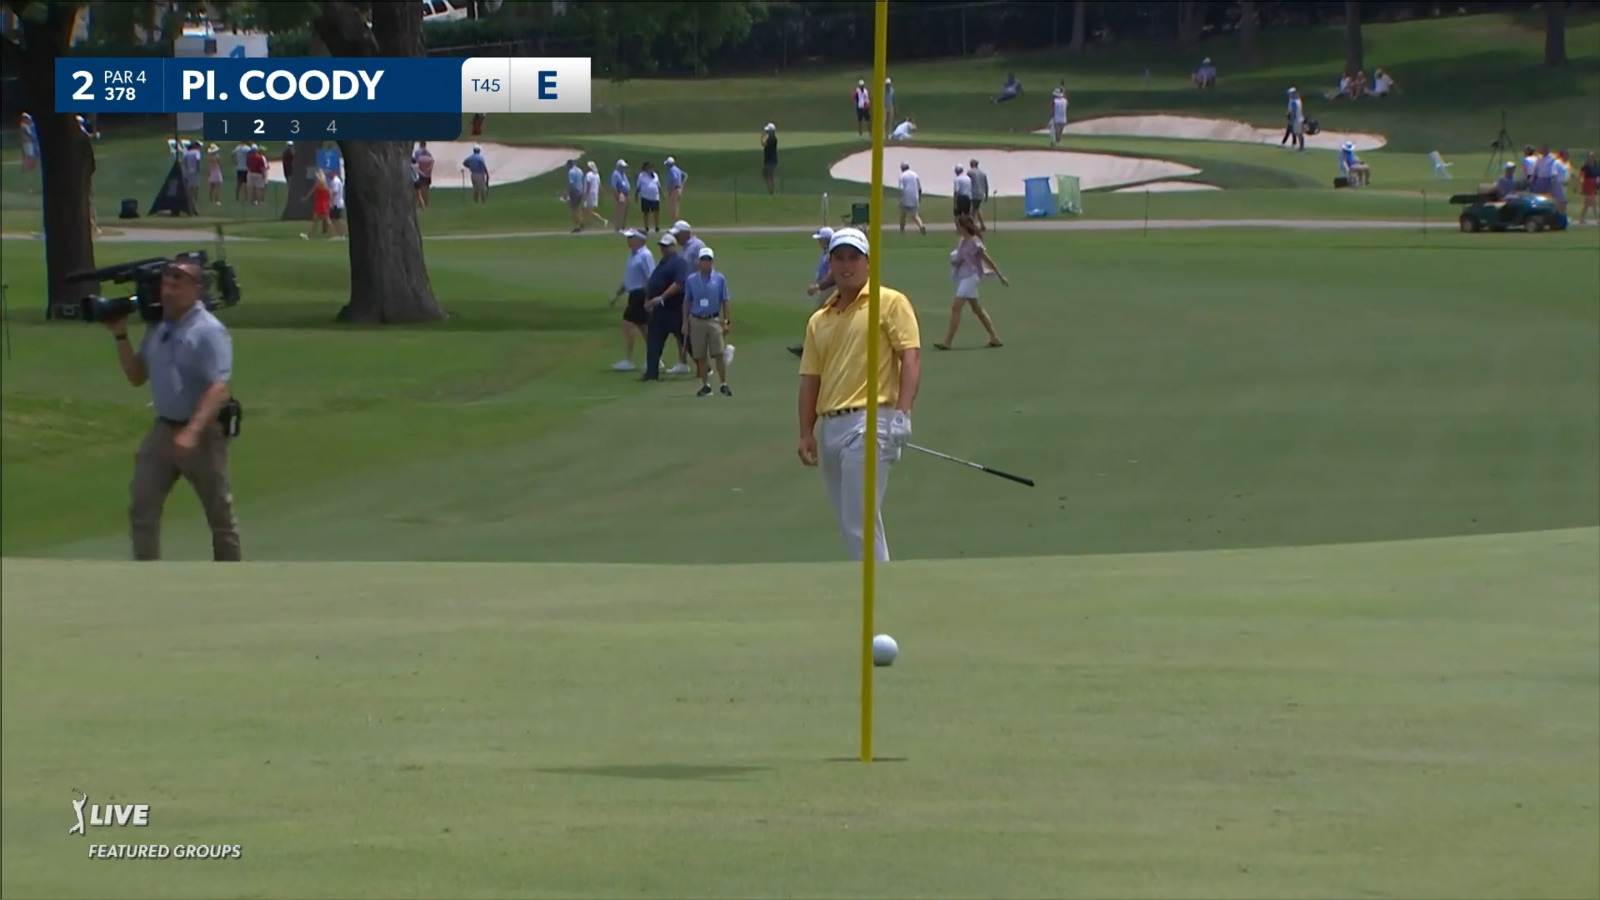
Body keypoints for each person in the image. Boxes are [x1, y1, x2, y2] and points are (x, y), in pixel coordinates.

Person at [103, 257, 241, 562]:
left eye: (177, 282)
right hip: (164, 430)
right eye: (166, 282)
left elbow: (219, 388)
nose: (169, 289)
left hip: (203, 432)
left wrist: (192, 433)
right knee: (142, 504)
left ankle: (231, 576)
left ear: (196, 288)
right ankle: (148, 575)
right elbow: (137, 376)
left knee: (219, 513)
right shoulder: (159, 328)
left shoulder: (209, 331)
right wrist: (120, 335)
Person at [796, 228, 921, 562]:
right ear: (830, 265)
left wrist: (903, 413)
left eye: (854, 258)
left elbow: (910, 356)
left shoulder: (890, 302)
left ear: (868, 263)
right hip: (830, 427)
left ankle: (876, 592)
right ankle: (877, 586)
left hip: (871, 423)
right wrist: (806, 432)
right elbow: (810, 379)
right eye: (838, 258)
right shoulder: (819, 320)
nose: (846, 265)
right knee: (850, 521)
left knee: (859, 522)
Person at [934, 214, 1008, 350]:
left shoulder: (975, 242)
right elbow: (961, 259)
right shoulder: (962, 241)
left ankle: (947, 342)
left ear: (964, 227)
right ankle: (994, 337)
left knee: (956, 307)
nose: (956, 228)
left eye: (958, 226)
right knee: (977, 309)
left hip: (971, 277)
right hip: (964, 276)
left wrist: (1000, 276)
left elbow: (987, 259)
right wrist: (955, 261)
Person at [642, 232, 692, 381]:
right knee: (654, 341)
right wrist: (649, 299)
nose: (663, 249)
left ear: (673, 246)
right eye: (661, 246)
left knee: (686, 341)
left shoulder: (679, 263)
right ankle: (651, 373)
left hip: (674, 308)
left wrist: (661, 297)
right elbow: (653, 282)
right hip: (659, 310)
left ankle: (704, 366)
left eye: (666, 246)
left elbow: (678, 283)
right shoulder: (662, 262)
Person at [684, 247, 733, 397]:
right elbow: (687, 301)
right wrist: (685, 322)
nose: (706, 263)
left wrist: (726, 321)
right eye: (703, 260)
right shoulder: (691, 280)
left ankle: (723, 384)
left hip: (713, 320)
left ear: (712, 262)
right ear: (699, 262)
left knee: (718, 353)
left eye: (708, 260)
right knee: (700, 355)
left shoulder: (719, 278)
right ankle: (706, 385)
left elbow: (725, 300)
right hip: (697, 319)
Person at [610, 229, 654, 372]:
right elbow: (629, 277)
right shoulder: (632, 255)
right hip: (633, 295)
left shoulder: (645, 255)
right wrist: (618, 294)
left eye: (631, 238)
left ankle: (631, 360)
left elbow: (650, 278)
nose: (628, 241)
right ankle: (653, 359)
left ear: (640, 240)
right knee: (643, 329)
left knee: (628, 324)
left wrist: (648, 298)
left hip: (640, 295)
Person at [790, 227, 837, 357]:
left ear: (826, 240)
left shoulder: (831, 254)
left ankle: (809, 349)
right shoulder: (826, 252)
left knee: (816, 318)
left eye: (820, 240)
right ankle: (811, 347)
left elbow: (831, 273)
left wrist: (818, 286)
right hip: (826, 288)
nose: (819, 242)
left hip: (829, 289)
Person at [300, 169, 332, 239]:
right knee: (316, 220)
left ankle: (332, 235)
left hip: (322, 204)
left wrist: (305, 198)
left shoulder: (320, 183)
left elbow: (312, 191)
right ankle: (308, 235)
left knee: (326, 219)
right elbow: (329, 193)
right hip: (321, 203)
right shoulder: (324, 183)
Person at [897, 162, 925, 236]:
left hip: (905, 198)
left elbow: (901, 189)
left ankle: (902, 230)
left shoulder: (902, 176)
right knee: (915, 215)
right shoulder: (915, 174)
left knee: (903, 215)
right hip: (915, 197)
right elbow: (919, 188)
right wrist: (919, 197)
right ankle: (921, 226)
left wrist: (900, 199)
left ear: (902, 168)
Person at [582, 161, 609, 230]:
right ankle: (586, 223)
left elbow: (588, 185)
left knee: (588, 210)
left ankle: (603, 220)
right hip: (595, 194)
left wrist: (585, 195)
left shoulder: (589, 175)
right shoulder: (597, 175)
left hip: (590, 194)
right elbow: (600, 186)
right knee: (587, 210)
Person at [636, 161, 662, 233]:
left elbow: (658, 185)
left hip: (655, 196)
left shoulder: (655, 175)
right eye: (649, 167)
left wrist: (662, 194)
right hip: (645, 197)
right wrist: (636, 195)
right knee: (646, 212)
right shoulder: (641, 176)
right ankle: (646, 227)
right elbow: (638, 186)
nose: (650, 169)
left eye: (651, 167)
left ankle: (657, 226)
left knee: (656, 212)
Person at [968, 158, 990, 231]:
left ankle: (973, 226)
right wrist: (986, 195)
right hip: (981, 194)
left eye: (971, 163)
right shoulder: (983, 173)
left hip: (973, 193)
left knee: (972, 210)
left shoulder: (970, 172)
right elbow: (986, 185)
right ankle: (982, 225)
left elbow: (967, 183)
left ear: (972, 164)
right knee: (977, 208)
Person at [1577, 151, 1599, 225]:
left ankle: (1581, 219)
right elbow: (1580, 176)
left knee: (1587, 204)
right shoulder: (1585, 167)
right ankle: (1597, 219)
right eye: (1589, 157)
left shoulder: (1596, 166)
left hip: (1594, 185)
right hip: (1587, 185)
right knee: (1593, 202)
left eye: (1592, 156)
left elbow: (1598, 176)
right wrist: (1580, 185)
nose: (1591, 158)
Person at [181, 141, 203, 213]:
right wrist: (198, 169)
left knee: (189, 192)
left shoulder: (186, 153)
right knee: (194, 191)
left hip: (187, 174)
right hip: (194, 173)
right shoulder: (196, 152)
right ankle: (194, 208)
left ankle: (190, 208)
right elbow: (198, 161)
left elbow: (183, 162)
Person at [1281, 87, 1305, 151]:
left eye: (1290, 93)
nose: (1289, 95)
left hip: (1296, 120)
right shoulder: (1297, 100)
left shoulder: (1294, 101)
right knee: (1297, 133)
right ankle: (1299, 146)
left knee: (1298, 133)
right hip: (1298, 119)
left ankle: (1300, 147)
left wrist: (1292, 120)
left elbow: (1294, 112)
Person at [665, 156, 687, 222]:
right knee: (676, 207)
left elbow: (674, 179)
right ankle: (676, 222)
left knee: (672, 208)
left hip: (674, 190)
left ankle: (675, 223)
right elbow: (685, 175)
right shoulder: (677, 169)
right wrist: (681, 185)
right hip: (678, 189)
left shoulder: (671, 170)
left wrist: (671, 189)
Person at [565, 158, 585, 232]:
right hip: (580, 191)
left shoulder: (571, 172)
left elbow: (571, 183)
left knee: (574, 209)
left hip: (574, 192)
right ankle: (581, 222)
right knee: (579, 209)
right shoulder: (580, 171)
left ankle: (577, 226)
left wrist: (567, 192)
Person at [610, 159, 631, 231]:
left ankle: (622, 226)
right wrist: (617, 196)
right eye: (622, 167)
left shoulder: (623, 174)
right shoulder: (615, 174)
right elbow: (614, 186)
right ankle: (618, 228)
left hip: (626, 194)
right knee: (620, 211)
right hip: (620, 193)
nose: (624, 168)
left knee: (625, 211)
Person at [413, 142, 435, 209]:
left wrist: (420, 171)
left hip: (420, 174)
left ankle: (421, 204)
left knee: (420, 190)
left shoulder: (417, 153)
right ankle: (426, 203)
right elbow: (432, 162)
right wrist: (428, 170)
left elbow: (415, 163)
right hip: (427, 175)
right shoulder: (428, 154)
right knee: (426, 189)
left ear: (420, 144)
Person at [761, 123, 779, 195]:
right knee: (768, 176)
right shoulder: (772, 138)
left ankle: (771, 192)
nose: (767, 132)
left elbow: (764, 144)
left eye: (768, 131)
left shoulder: (772, 139)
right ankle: (771, 191)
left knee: (769, 176)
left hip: (770, 161)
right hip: (770, 160)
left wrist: (762, 137)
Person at [328, 168, 346, 237]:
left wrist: (329, 199)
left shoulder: (335, 181)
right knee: (335, 219)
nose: (329, 174)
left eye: (330, 172)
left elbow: (334, 192)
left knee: (337, 219)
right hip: (336, 203)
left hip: (337, 203)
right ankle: (339, 233)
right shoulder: (335, 180)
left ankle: (342, 232)